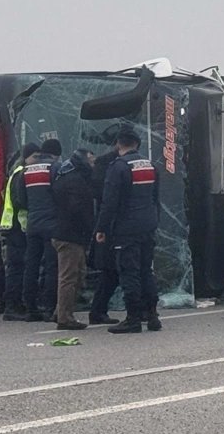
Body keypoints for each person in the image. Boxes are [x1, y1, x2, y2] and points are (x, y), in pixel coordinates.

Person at [96, 127, 163, 333]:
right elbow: (155, 198)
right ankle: (152, 316)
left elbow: (110, 202)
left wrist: (102, 228)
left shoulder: (118, 167)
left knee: (129, 272)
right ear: (137, 144)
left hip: (126, 228)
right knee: (146, 271)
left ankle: (133, 318)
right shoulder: (150, 165)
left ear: (118, 144)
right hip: (148, 225)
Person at [13, 139, 62, 321]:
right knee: (51, 266)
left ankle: (31, 308)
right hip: (52, 224)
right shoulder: (55, 169)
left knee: (31, 266)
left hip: (33, 224)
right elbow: (61, 194)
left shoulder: (26, 171)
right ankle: (49, 307)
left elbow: (21, 200)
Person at [50, 148, 96, 330]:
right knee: (69, 277)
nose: (93, 164)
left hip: (67, 233)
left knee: (77, 275)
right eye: (91, 160)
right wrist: (91, 227)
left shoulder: (68, 177)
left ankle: (60, 311)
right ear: (84, 160)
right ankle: (64, 317)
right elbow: (78, 210)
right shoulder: (75, 181)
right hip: (70, 235)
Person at [0, 143, 40, 321]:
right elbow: (20, 202)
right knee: (17, 268)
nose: (37, 161)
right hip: (17, 227)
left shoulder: (17, 171)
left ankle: (15, 304)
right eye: (36, 157)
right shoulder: (21, 173)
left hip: (14, 227)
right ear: (28, 156)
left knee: (17, 268)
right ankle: (12, 306)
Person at [85, 147, 122, 325]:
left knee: (110, 272)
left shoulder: (102, 171)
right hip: (113, 230)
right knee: (113, 272)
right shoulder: (113, 170)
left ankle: (98, 311)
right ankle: (98, 311)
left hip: (107, 229)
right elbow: (109, 204)